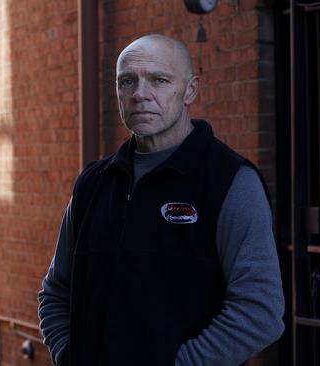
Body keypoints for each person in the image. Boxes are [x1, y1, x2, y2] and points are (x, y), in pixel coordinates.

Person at [38, 34, 284, 366]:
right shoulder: (93, 184)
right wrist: (69, 354)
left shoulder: (230, 181)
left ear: (190, 90)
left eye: (159, 80)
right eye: (127, 81)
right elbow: (55, 293)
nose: (140, 94)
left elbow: (260, 311)